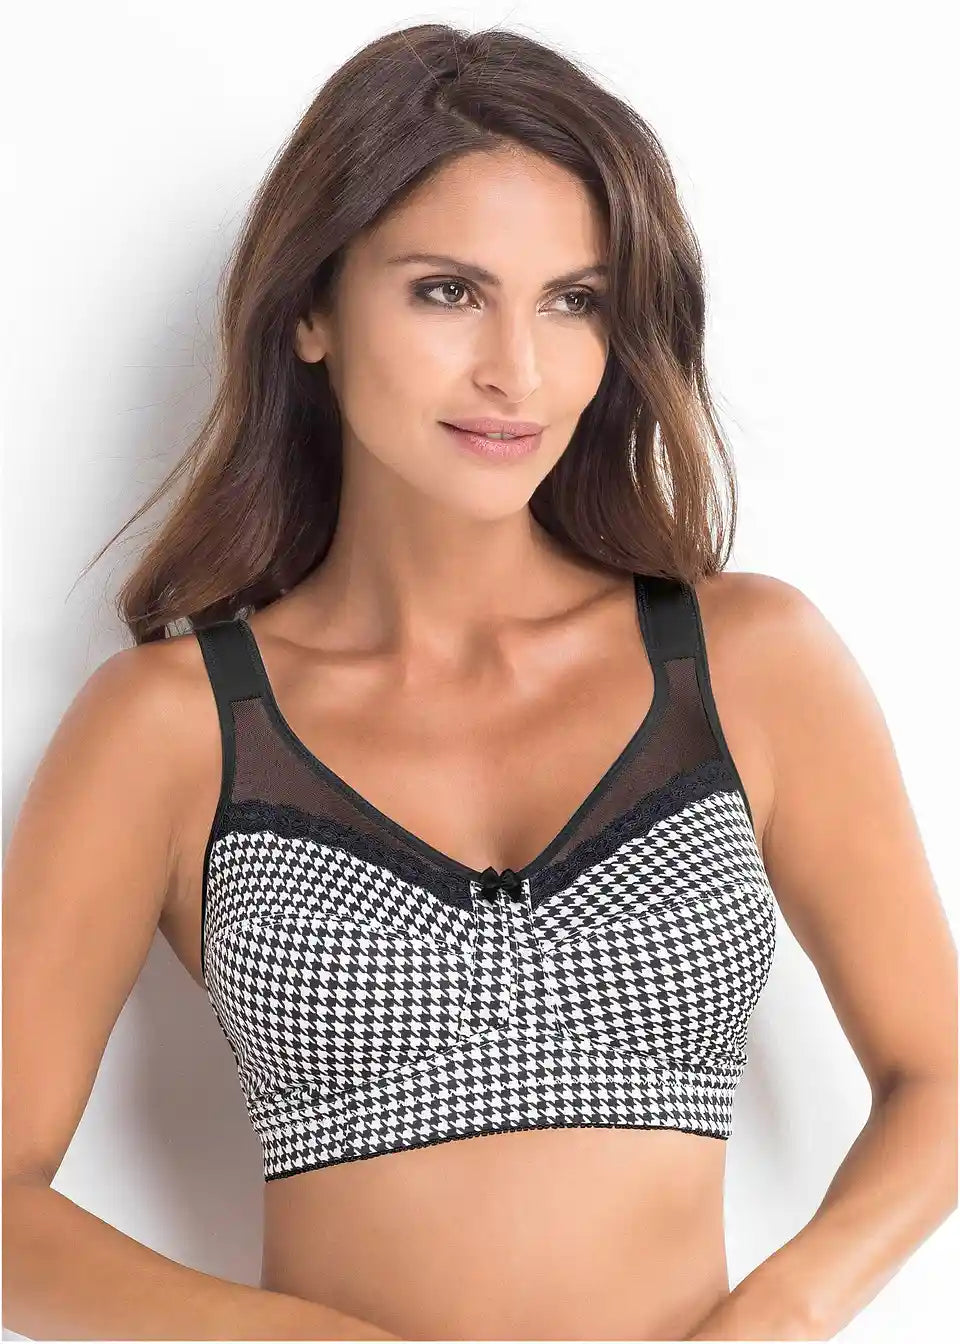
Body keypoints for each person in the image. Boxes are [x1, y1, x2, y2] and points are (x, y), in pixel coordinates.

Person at [3, 21, 956, 1344]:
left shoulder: (747, 663)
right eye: (448, 291)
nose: (518, 367)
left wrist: (782, 1316)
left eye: (575, 300)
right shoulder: (172, 728)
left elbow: (939, 1077)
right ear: (311, 311)